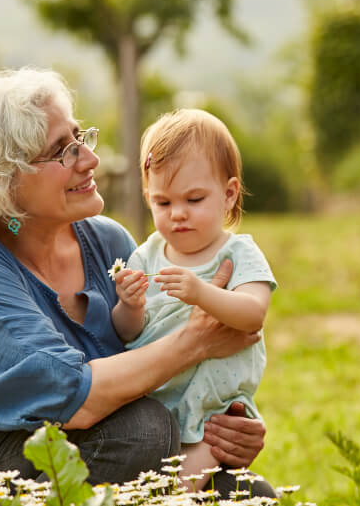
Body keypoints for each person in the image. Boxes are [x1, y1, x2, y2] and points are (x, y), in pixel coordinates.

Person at [0, 69, 274, 499]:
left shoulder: (108, 243)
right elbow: (74, 399)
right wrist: (197, 341)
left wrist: (225, 423)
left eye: (80, 138)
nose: (90, 159)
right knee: (142, 431)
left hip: (77, 447)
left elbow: (151, 362)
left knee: (250, 495)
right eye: (62, 151)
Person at [111, 108, 275, 493]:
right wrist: (129, 306)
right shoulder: (146, 256)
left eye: (194, 199)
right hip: (156, 398)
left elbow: (253, 314)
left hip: (213, 410)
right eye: (163, 203)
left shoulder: (238, 253)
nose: (178, 214)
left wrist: (202, 292)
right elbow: (126, 333)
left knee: (176, 489)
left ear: (229, 194)